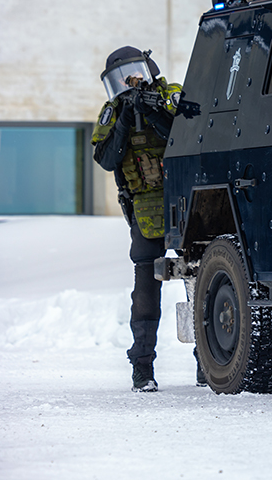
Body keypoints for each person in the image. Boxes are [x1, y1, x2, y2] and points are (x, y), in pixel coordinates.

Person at [91, 47, 199, 392]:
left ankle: (208, 360)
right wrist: (125, 120)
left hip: (188, 201)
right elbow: (106, 159)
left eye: (135, 73)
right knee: (146, 289)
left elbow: (192, 136)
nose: (131, 81)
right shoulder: (114, 111)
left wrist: (153, 113)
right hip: (146, 208)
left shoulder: (170, 96)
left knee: (199, 277)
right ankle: (142, 367)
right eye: (123, 78)